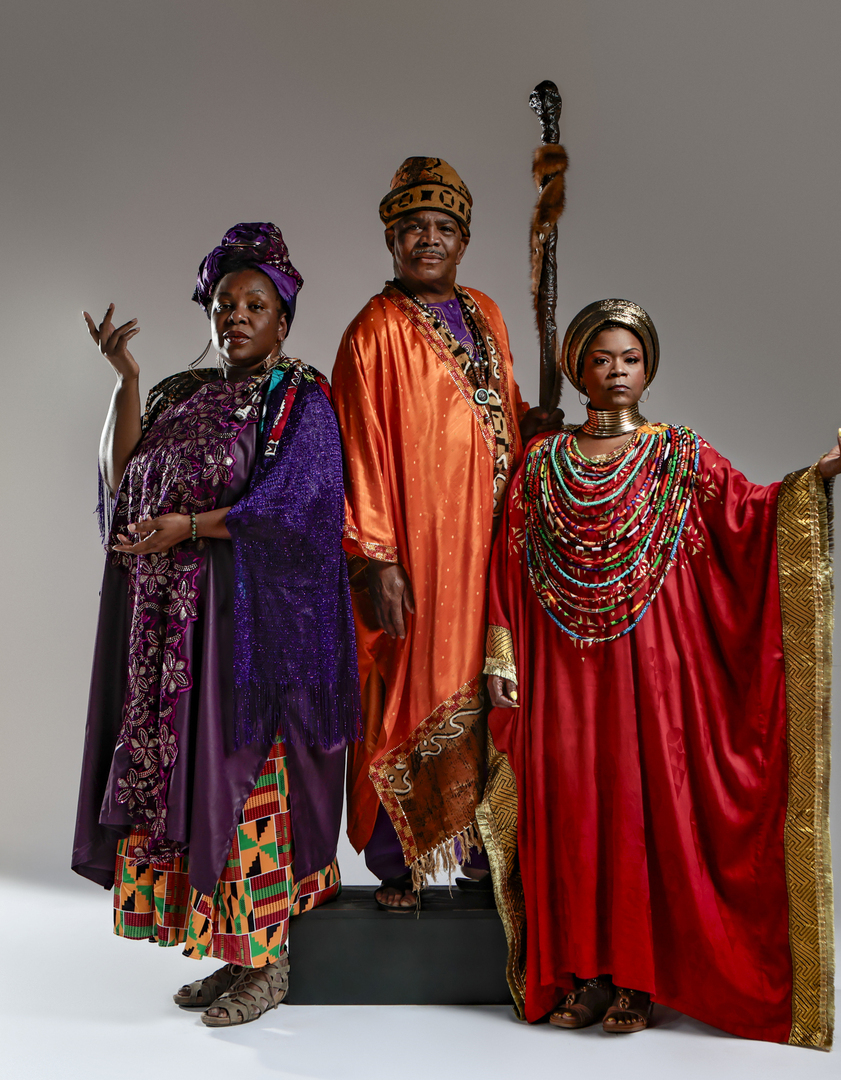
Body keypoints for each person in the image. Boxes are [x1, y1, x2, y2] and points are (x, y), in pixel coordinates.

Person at [480, 298, 841, 1048]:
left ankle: (637, 977)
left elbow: (751, 513)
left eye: (630, 359)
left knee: (638, 810)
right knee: (572, 809)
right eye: (601, 359)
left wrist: (822, 473)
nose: (616, 372)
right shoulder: (541, 462)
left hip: (649, 673)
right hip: (562, 668)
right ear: (577, 370)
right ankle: (582, 971)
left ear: (649, 368)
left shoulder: (677, 454)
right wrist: (500, 654)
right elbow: (508, 560)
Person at [72, 223, 361, 1026]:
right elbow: (125, 479)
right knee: (193, 786)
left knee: (249, 786)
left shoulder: (298, 400)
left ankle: (268, 964)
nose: (236, 315)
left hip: (253, 636)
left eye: (254, 305)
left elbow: (302, 510)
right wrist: (127, 380)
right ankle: (231, 950)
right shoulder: (179, 394)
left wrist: (192, 528)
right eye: (225, 303)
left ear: (283, 320)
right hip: (177, 635)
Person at [331, 158, 562, 910]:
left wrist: (530, 424)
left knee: (494, 684)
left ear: (463, 241)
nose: (428, 240)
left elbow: (499, 410)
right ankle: (398, 860)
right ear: (391, 239)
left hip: (491, 541)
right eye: (413, 228)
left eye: (443, 228)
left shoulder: (487, 311)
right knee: (408, 686)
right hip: (418, 549)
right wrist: (377, 558)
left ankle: (483, 850)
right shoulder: (371, 332)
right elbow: (359, 448)